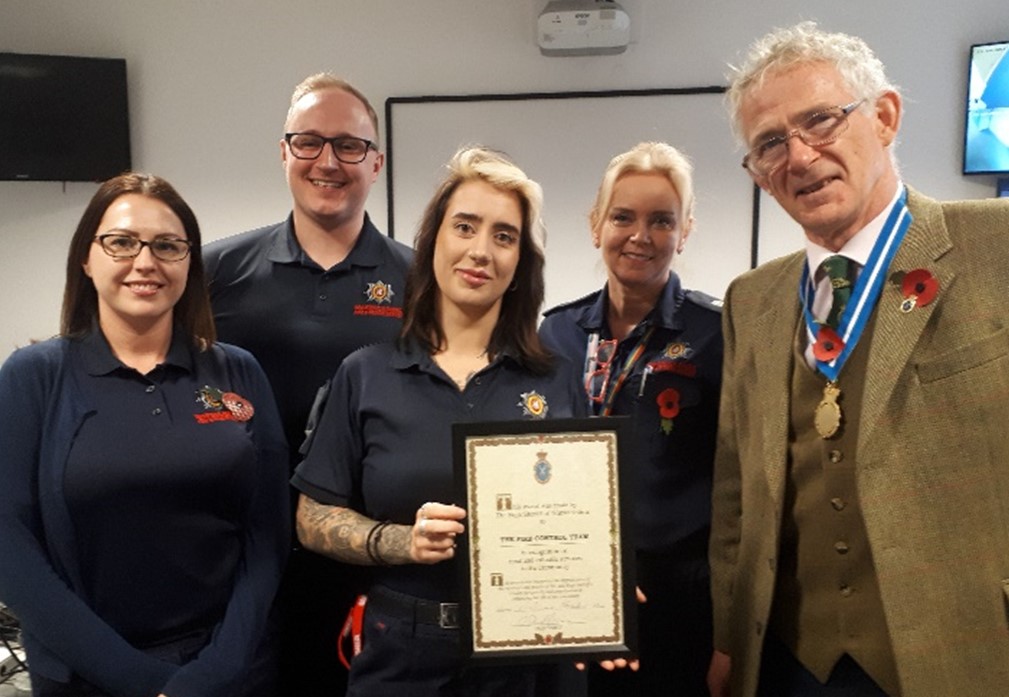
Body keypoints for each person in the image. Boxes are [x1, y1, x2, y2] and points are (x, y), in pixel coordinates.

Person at [708, 21, 1009, 697]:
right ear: (756, 172)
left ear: (884, 116)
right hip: (787, 663)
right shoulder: (749, 300)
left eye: (819, 120)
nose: (799, 155)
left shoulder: (997, 246)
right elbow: (735, 496)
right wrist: (728, 639)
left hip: (966, 650)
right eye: (769, 144)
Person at [291, 146, 588, 696]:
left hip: (530, 654)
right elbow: (311, 518)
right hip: (403, 648)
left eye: (504, 236)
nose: (481, 251)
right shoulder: (366, 374)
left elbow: (588, 520)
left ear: (522, 262)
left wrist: (603, 594)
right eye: (465, 227)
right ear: (434, 244)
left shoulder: (557, 380)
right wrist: (402, 542)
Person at [0, 173, 289, 697]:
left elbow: (268, 534)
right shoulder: (33, 377)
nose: (145, 260)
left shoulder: (237, 373)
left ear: (189, 264)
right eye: (122, 242)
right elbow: (10, 546)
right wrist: (138, 680)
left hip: (230, 673)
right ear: (87, 259)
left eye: (167, 245)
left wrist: (218, 670)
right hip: (87, 677)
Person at [203, 73, 412, 695]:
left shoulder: (423, 279)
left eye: (349, 146)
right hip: (243, 557)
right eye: (309, 142)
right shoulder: (215, 273)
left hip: (373, 557)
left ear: (376, 162)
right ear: (283, 152)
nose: (328, 161)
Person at [539, 141, 722, 696]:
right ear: (596, 225)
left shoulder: (716, 334)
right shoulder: (556, 333)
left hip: (678, 596)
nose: (640, 236)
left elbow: (744, 481)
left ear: (684, 232)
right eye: (623, 217)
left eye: (661, 221)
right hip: (574, 581)